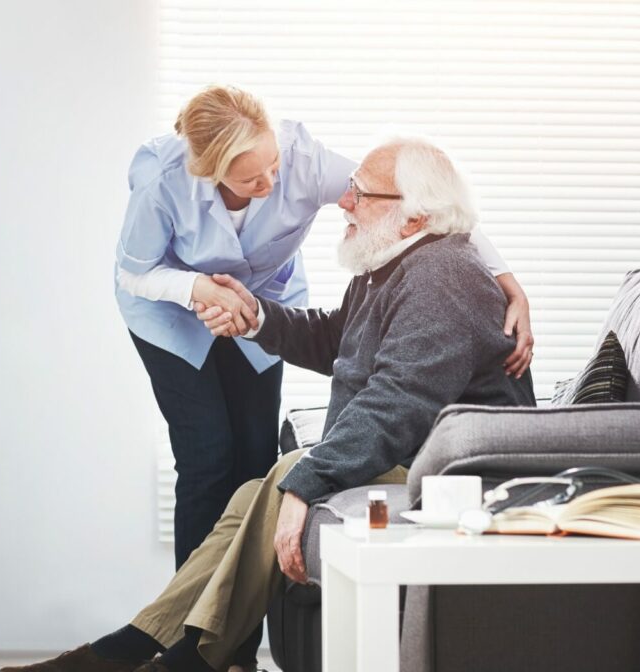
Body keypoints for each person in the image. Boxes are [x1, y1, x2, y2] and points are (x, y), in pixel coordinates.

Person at [4, 137, 535, 672]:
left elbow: (396, 404)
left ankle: (156, 656)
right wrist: (256, 315)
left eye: (360, 194)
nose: (344, 203)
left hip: (449, 476)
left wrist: (309, 481)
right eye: (349, 189)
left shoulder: (442, 277)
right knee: (251, 496)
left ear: (414, 216)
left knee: (286, 471)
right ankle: (148, 650)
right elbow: (338, 340)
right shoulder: (396, 263)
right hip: (414, 455)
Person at [114, 85, 535, 572]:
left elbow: (425, 199)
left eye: (274, 166)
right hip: (170, 307)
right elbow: (135, 272)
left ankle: (207, 644)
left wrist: (506, 279)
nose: (272, 182)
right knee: (206, 456)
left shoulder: (310, 168)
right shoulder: (162, 182)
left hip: (260, 297)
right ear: (211, 174)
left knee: (254, 459)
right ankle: (183, 634)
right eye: (253, 179)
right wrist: (197, 290)